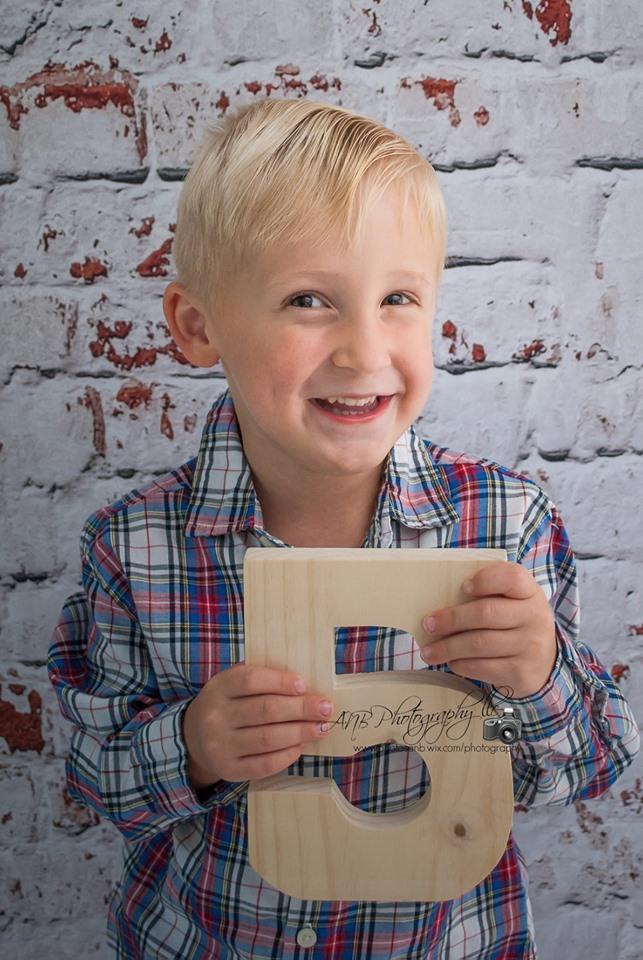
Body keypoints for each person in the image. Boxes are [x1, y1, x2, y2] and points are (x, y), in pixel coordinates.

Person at [47, 97, 640, 959]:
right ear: (198, 327)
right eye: (308, 300)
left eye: (397, 297)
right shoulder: (134, 546)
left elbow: (593, 767)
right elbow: (93, 779)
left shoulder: (504, 523)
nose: (363, 351)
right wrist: (193, 746)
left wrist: (537, 676)